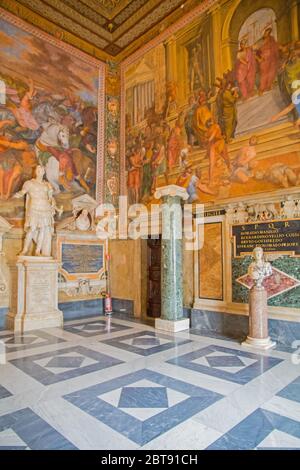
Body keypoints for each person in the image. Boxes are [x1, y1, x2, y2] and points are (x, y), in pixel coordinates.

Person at [14, 165, 62, 256]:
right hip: (34, 207)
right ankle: (25, 250)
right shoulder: (29, 183)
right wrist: (17, 195)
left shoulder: (47, 185)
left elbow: (51, 199)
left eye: (41, 170)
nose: (39, 171)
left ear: (44, 172)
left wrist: (57, 208)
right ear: (35, 171)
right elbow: (23, 192)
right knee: (32, 229)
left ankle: (37, 251)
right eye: (38, 169)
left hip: (46, 208)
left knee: (43, 230)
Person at [256, 27, 279, 94]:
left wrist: (276, 55)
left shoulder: (272, 39)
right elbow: (255, 51)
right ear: (264, 32)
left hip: (272, 58)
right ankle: (262, 89)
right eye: (266, 32)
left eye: (268, 33)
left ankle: (268, 86)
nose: (267, 34)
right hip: (264, 59)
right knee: (264, 74)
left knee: (271, 72)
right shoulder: (261, 41)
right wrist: (259, 58)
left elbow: (275, 47)